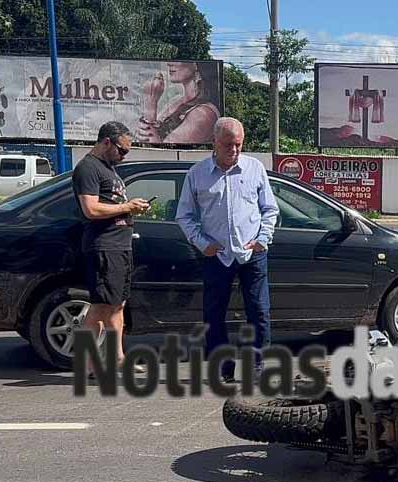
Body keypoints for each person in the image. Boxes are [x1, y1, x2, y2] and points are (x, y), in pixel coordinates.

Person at [175, 117, 279, 381]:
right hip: (217, 254)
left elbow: (270, 209)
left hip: (252, 253)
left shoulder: (254, 168)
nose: (233, 150)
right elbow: (184, 215)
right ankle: (222, 367)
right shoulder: (197, 174)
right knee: (213, 313)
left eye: (238, 145)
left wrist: (262, 239)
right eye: (227, 145)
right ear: (214, 143)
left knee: (259, 311)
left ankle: (256, 365)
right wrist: (202, 243)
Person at [72, 121, 150, 374]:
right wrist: (128, 207)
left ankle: (116, 357)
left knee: (117, 303)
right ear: (107, 142)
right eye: (122, 150)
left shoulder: (108, 168)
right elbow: (91, 209)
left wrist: (132, 207)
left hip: (119, 245)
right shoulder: (88, 168)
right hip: (104, 246)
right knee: (101, 305)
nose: (123, 156)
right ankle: (87, 361)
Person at [137, 62, 221, 144]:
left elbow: (162, 152)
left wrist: (151, 102)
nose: (169, 63)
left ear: (195, 65)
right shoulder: (176, 100)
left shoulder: (203, 115)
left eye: (177, 60)